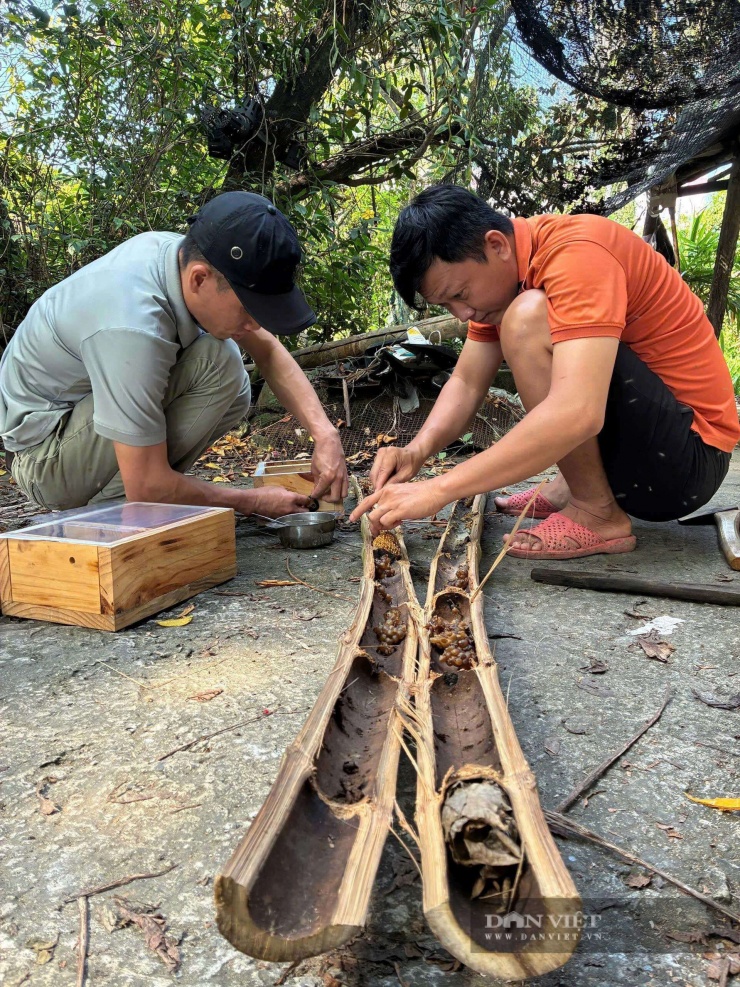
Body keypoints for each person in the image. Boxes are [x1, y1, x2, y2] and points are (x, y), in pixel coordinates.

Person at [351, 185, 739, 559]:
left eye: (460, 294)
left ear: (497, 245)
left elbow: (578, 411)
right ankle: (573, 486)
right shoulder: (505, 282)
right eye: (447, 304)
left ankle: (596, 510)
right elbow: (467, 382)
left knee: (526, 317)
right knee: (522, 315)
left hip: (687, 462)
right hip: (653, 446)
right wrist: (416, 451)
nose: (463, 314)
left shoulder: (577, 253)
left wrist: (440, 488)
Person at [0, 191, 347, 517]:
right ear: (200, 279)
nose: (255, 324)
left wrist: (325, 435)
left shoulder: (184, 256)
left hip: (80, 426)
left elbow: (268, 349)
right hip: (46, 460)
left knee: (233, 384)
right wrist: (251, 500)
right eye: (248, 309)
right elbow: (147, 484)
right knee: (218, 361)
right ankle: (114, 510)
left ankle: (141, 496)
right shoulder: (133, 325)